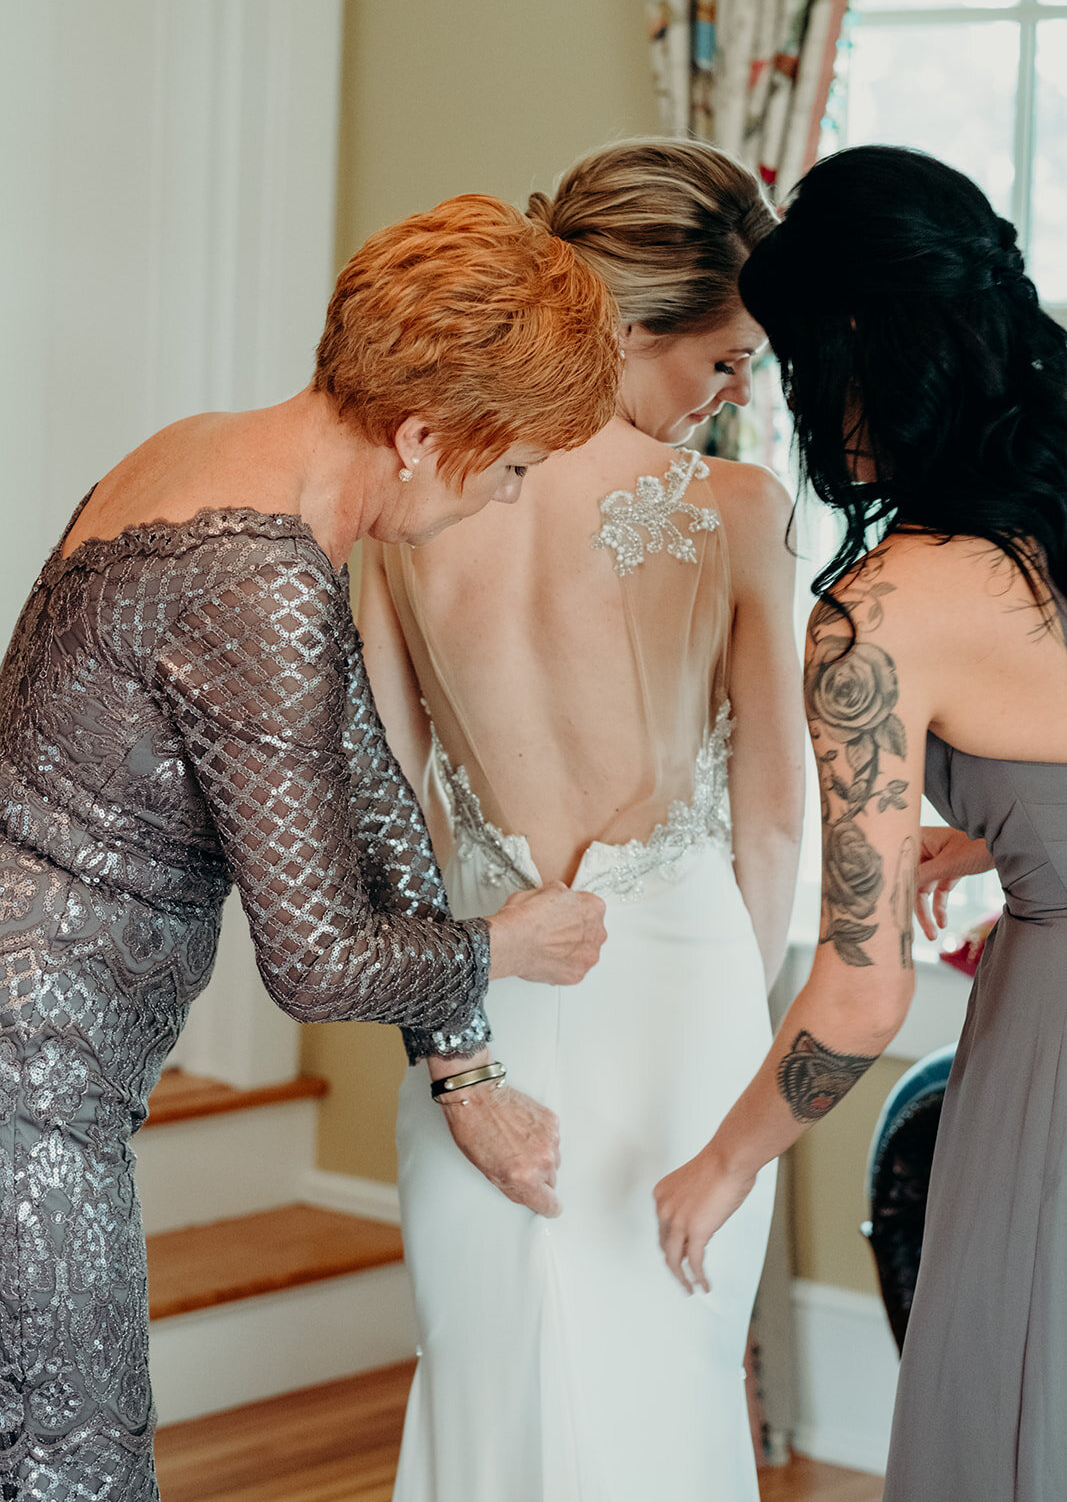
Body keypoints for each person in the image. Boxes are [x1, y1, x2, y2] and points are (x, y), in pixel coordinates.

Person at [0, 194, 619, 1501]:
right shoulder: (267, 582)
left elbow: (363, 777)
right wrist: (505, 944)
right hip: (28, 1082)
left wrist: (461, 1065)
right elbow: (321, 963)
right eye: (509, 469)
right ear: (420, 436)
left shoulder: (205, 458)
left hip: (33, 1050)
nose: (509, 500)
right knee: (71, 1466)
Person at [359, 138, 806, 1502]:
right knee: (663, 1397)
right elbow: (778, 828)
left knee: (493, 1388)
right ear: (629, 324)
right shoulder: (738, 512)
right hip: (688, 1000)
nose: (736, 392)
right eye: (722, 359)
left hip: (480, 1005)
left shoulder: (412, 499)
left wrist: (454, 1048)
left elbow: (385, 806)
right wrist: (761, 1001)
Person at [653, 144, 1067, 1501]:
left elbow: (860, 997)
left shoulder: (885, 618)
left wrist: (718, 1168)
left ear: (852, 353)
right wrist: (1014, 837)